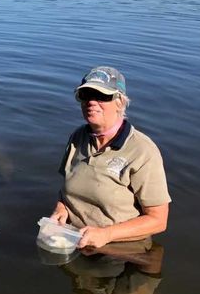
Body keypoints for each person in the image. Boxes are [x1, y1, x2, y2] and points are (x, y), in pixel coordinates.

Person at [50, 66, 170, 249]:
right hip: (73, 241)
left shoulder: (143, 151)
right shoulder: (78, 137)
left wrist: (107, 234)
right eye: (86, 95)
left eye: (102, 96)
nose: (91, 101)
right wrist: (61, 208)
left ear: (120, 102)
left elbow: (158, 221)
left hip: (120, 250)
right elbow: (66, 186)